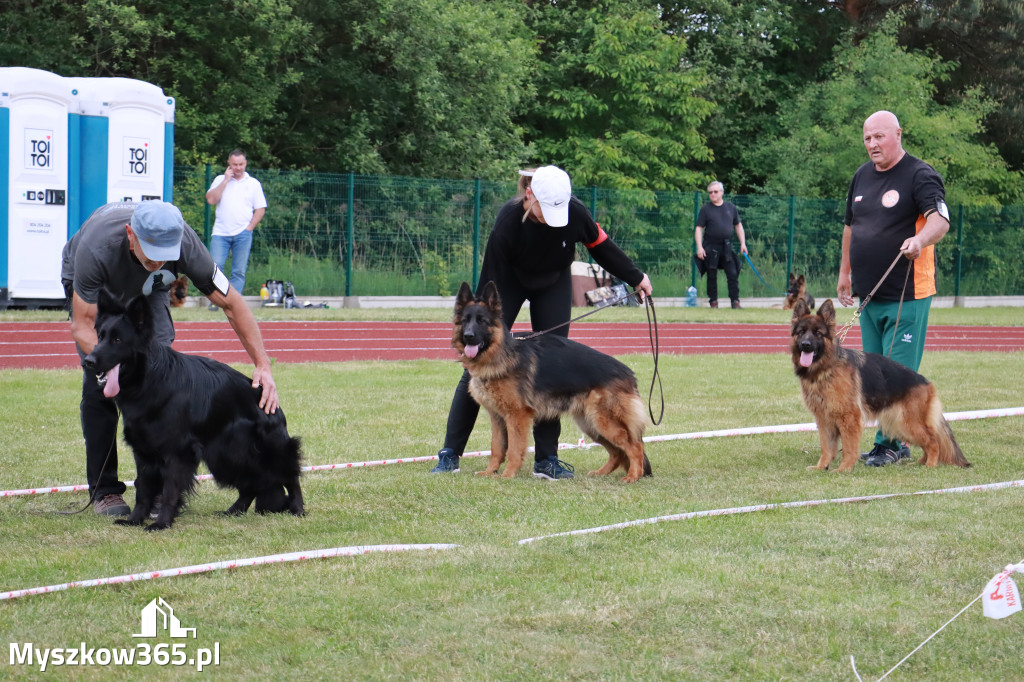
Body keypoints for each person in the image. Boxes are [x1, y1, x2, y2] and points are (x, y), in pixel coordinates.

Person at [430, 166, 653, 479]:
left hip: (552, 282)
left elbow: (601, 246)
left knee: (551, 364)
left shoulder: (575, 212)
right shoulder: (507, 222)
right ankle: (450, 454)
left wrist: (636, 277)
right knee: (476, 363)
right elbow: (489, 277)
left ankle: (546, 460)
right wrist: (477, 326)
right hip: (510, 280)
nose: (552, 218)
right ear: (530, 195)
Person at [62, 201, 280, 515]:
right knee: (101, 387)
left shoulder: (186, 246)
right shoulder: (96, 249)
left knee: (160, 376)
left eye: (165, 253)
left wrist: (263, 364)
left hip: (150, 292)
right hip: (99, 288)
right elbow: (83, 325)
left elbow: (231, 303)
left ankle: (157, 488)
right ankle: (105, 491)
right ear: (131, 236)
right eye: (152, 253)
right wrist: (114, 364)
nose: (159, 260)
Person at [837, 110, 951, 467]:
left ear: (898, 134)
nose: (872, 144)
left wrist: (919, 240)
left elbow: (940, 220)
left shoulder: (920, 174)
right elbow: (850, 228)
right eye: (867, 138)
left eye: (879, 137)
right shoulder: (860, 176)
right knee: (870, 377)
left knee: (895, 377)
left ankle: (892, 445)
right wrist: (845, 273)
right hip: (868, 296)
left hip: (907, 293)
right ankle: (885, 441)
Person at [205, 149, 267, 306]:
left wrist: (249, 228)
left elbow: (260, 209)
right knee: (215, 268)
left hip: (243, 233)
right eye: (235, 164)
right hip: (220, 233)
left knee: (238, 271)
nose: (238, 168)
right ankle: (216, 301)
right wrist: (226, 181)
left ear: (245, 163)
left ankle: (233, 303)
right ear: (229, 164)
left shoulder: (253, 183)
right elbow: (211, 200)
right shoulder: (220, 179)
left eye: (241, 164)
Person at [694, 181, 748, 309]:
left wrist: (743, 243)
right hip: (711, 246)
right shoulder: (705, 209)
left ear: (722, 193)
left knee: (733, 273)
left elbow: (738, 225)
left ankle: (735, 301)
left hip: (727, 246)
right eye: (710, 192)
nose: (712, 194)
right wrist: (700, 247)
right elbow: (699, 228)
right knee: (711, 274)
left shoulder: (731, 208)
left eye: (715, 192)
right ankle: (713, 302)